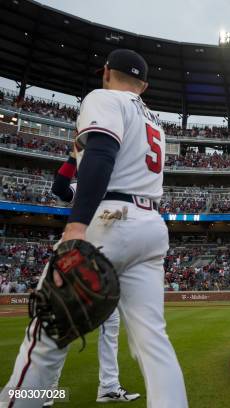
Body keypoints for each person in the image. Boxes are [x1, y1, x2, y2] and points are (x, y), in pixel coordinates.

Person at [0, 49, 188, 408]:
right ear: (144, 86)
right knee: (154, 343)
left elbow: (101, 154)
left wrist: (75, 226)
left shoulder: (103, 97)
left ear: (105, 72)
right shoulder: (155, 123)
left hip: (109, 220)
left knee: (47, 335)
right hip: (151, 225)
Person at [41, 152, 139, 406]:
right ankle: (47, 390)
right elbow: (59, 188)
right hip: (75, 260)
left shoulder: (118, 195)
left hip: (101, 265)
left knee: (111, 325)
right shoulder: (83, 187)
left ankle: (108, 386)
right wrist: (73, 158)